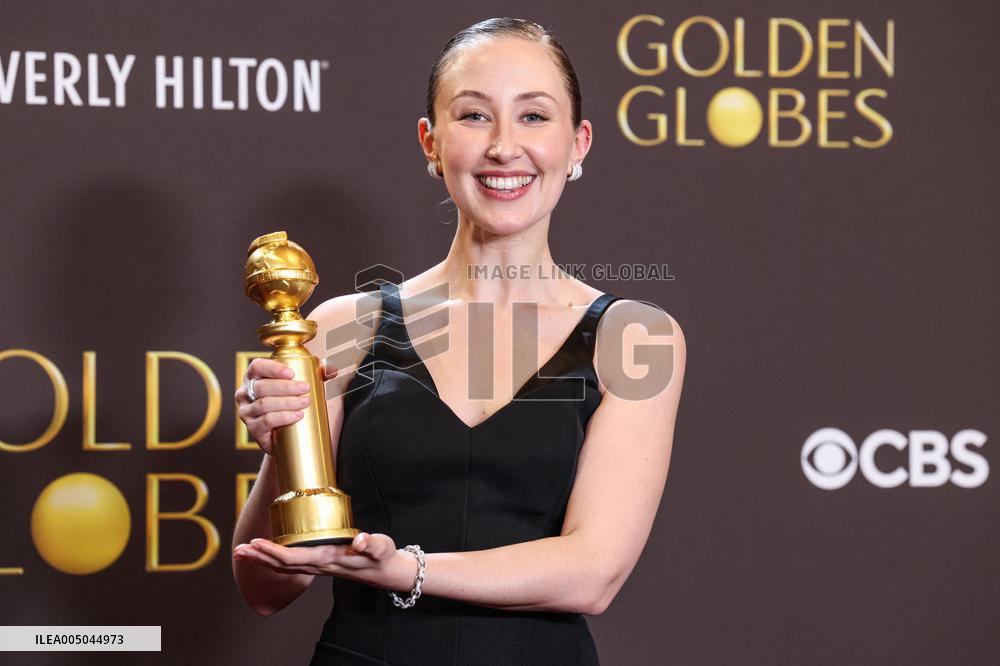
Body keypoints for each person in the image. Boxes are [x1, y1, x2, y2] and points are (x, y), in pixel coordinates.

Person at [231, 17, 686, 665]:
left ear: (578, 143)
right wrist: (284, 447)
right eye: (474, 116)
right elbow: (266, 588)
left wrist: (408, 570)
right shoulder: (339, 327)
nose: (504, 147)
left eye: (533, 117)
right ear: (431, 141)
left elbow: (594, 573)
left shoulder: (636, 337)